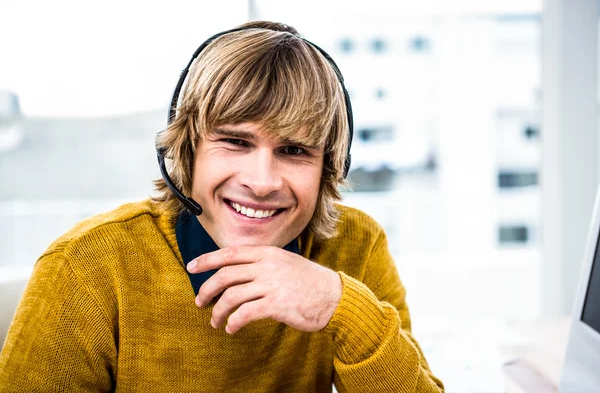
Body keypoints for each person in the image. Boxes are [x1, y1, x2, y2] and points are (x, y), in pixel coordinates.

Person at [0, 21, 444, 392]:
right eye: (235, 141)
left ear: (328, 167)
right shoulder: (87, 266)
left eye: (293, 151)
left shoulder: (355, 245)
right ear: (187, 149)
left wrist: (341, 308)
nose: (262, 181)